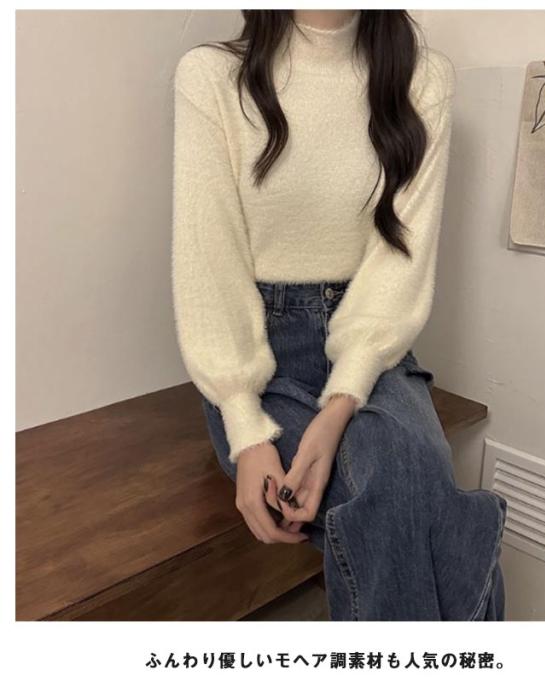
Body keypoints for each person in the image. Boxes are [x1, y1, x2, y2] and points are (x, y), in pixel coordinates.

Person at [172, 8, 507, 621]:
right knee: (419, 502)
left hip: (373, 339)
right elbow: (207, 259)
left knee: (404, 480)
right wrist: (245, 428)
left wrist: (340, 403)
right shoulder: (212, 75)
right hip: (254, 348)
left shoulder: (422, 78)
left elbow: (401, 257)